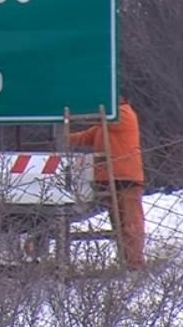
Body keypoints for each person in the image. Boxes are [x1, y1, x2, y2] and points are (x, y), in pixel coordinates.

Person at [68, 95, 145, 269]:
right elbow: (84, 136)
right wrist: (61, 138)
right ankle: (127, 260)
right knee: (118, 223)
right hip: (110, 179)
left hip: (126, 178)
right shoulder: (105, 124)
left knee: (130, 223)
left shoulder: (124, 115)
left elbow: (99, 121)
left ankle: (134, 262)